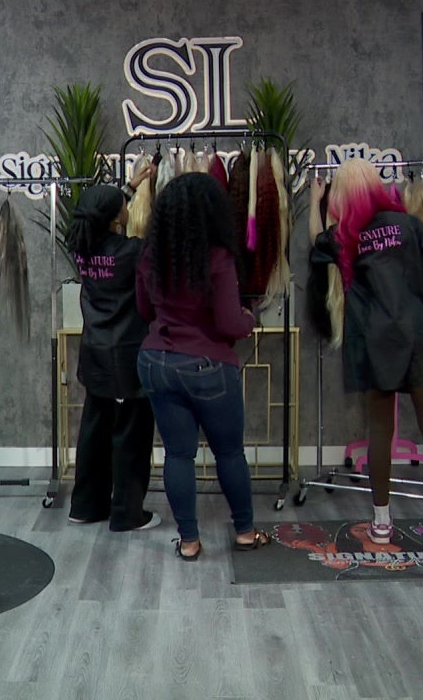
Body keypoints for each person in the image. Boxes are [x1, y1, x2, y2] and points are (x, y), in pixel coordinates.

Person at [308, 158, 423, 545]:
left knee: (380, 432)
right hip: (415, 334)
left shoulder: (346, 234)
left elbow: (315, 240)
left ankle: (381, 524)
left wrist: (316, 201)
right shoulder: (409, 225)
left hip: (374, 341)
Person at [134, 172, 269, 561]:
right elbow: (229, 323)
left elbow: (144, 309)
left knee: (178, 455)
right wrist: (249, 319)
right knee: (229, 453)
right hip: (208, 366)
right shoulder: (218, 257)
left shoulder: (149, 254)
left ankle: (189, 541)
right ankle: (245, 532)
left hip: (156, 360)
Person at [66, 173, 162, 531]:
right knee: (131, 436)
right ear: (114, 217)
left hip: (95, 354)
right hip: (126, 356)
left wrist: (131, 186)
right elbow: (157, 238)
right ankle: (127, 513)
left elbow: (100, 211)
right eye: (124, 204)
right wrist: (152, 193)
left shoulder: (81, 246)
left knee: (94, 429)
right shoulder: (132, 252)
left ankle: (85, 506)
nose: (128, 205)